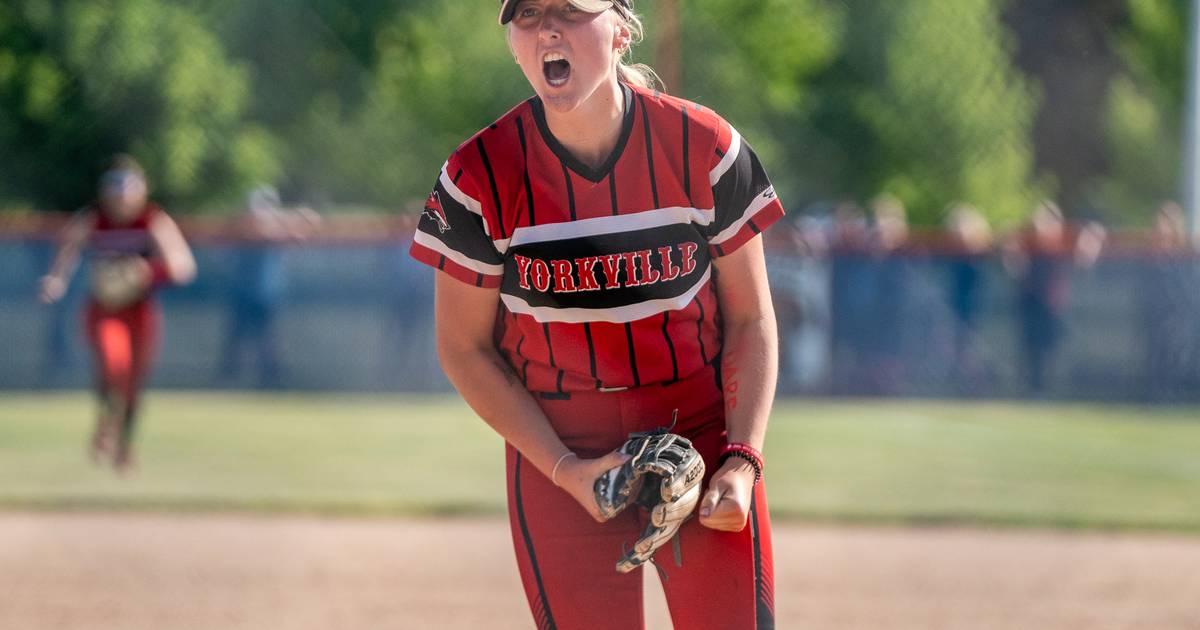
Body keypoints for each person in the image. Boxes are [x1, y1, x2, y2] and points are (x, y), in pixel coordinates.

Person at [409, 1, 782, 627]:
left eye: (571, 10)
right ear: (513, 44)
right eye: (528, 15)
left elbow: (752, 318)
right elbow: (463, 347)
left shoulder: (704, 147)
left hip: (702, 431)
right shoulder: (478, 176)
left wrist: (742, 460)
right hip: (560, 447)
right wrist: (567, 471)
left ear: (621, 31)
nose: (548, 28)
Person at [39, 155, 196, 473]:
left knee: (134, 382)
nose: (121, 197)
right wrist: (56, 281)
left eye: (128, 188)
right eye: (115, 188)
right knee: (114, 364)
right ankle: (104, 422)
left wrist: (147, 272)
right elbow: (67, 253)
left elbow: (184, 267)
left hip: (139, 309)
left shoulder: (152, 220)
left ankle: (125, 444)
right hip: (104, 308)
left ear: (141, 191)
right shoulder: (93, 219)